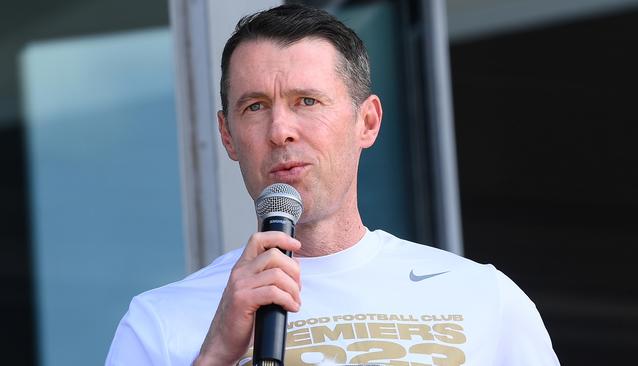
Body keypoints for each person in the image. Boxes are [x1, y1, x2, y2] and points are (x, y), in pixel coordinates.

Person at [106, 4, 559, 365]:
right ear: (227, 136)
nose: (280, 130)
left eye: (307, 101)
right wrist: (215, 355)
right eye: (255, 107)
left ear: (368, 121)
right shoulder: (159, 323)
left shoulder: (483, 298)